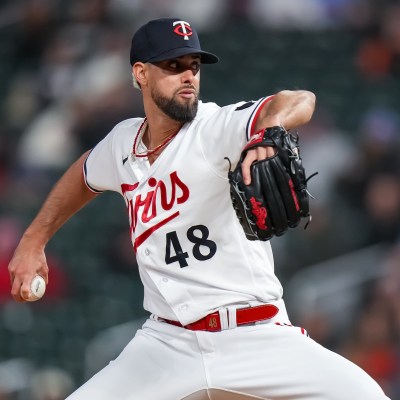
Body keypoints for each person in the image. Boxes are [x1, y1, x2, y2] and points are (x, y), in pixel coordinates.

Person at [8, 17, 390, 400]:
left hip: (255, 335)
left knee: (366, 395)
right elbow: (83, 174)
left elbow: (299, 100)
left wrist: (269, 130)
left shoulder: (214, 128)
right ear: (140, 73)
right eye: (173, 66)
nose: (188, 76)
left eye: (193, 65)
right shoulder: (122, 143)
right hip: (167, 343)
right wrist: (33, 240)